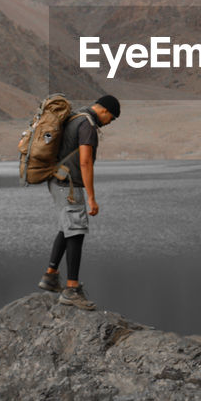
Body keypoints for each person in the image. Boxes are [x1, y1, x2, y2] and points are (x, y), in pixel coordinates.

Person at [37, 94, 120, 310]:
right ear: (104, 110)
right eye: (110, 118)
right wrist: (91, 197)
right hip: (69, 185)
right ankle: (72, 290)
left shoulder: (74, 118)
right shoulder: (87, 125)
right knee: (76, 231)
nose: (109, 123)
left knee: (67, 228)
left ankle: (50, 276)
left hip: (57, 180)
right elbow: (85, 162)